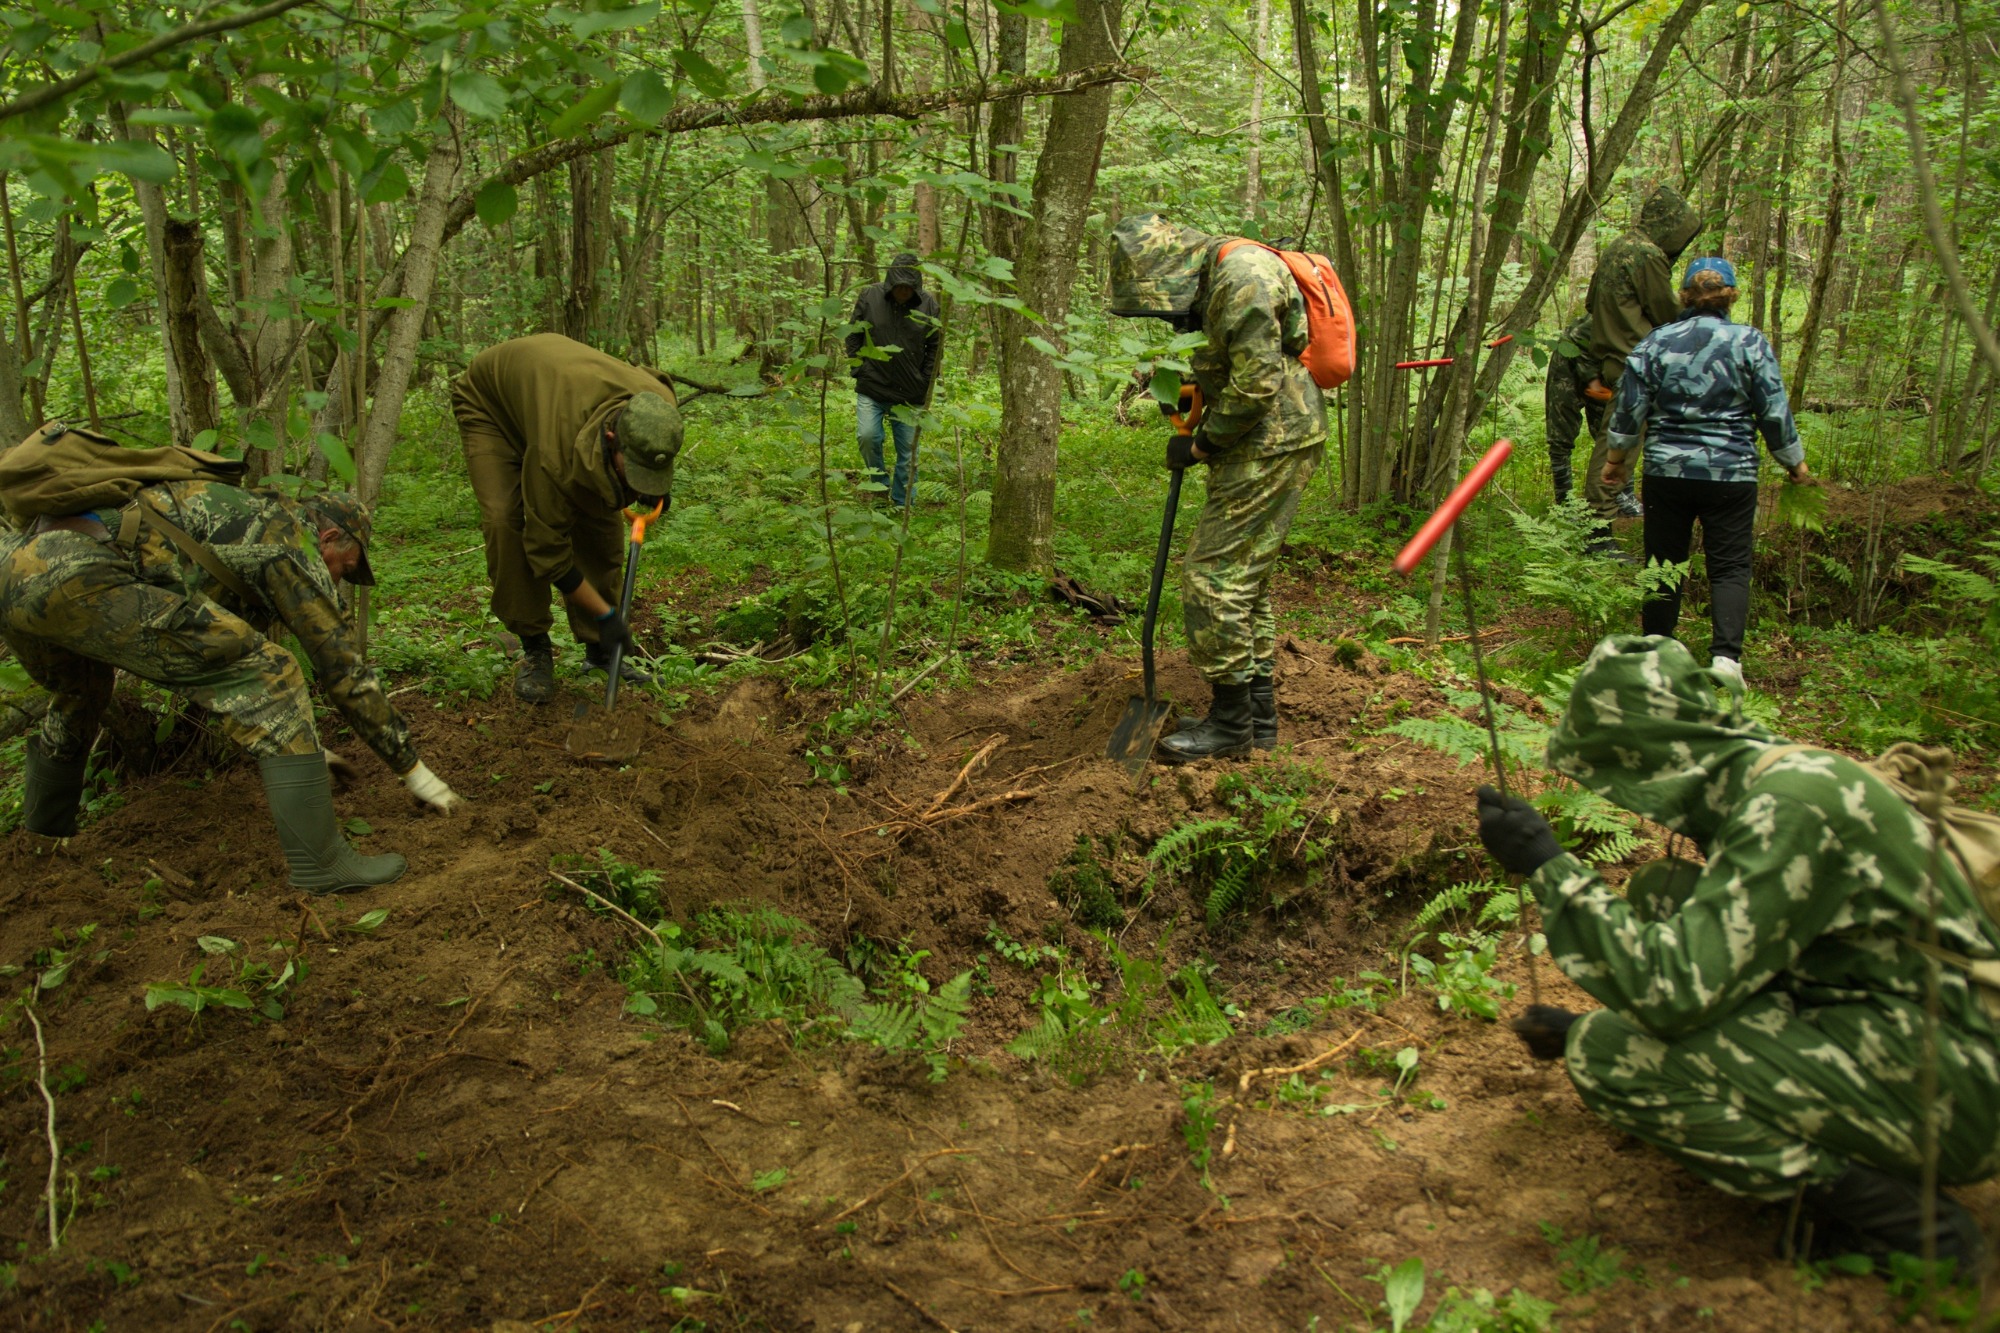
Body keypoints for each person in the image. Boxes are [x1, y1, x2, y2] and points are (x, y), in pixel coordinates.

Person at [1476, 635, 2000, 1275]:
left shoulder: (1788, 807)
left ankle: (1915, 1230)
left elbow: (1673, 990)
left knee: (1614, 1054)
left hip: (1960, 1087)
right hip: (1916, 1026)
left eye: (1616, 777)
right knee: (1664, 894)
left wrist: (1545, 864)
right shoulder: (1781, 773)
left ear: (1652, 759)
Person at [0, 432, 460, 892]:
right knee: (272, 673)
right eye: (346, 564)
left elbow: (203, 663)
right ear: (329, 536)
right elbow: (343, 672)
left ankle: (43, 838)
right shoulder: (287, 539)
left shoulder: (233, 517)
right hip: (82, 576)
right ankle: (324, 865)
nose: (339, 577)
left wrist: (304, 748)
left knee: (81, 690)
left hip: (16, 571)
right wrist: (415, 772)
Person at [1108, 214, 1327, 760]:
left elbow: (1256, 386)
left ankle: (1230, 726)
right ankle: (1256, 718)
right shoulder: (1219, 276)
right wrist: (1186, 387)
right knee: (1244, 582)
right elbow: (1237, 362)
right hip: (1264, 439)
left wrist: (1201, 445)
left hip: (1269, 441)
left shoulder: (1242, 277)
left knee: (1213, 579)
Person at [1600, 257, 1808, 691]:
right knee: (1730, 566)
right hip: (1731, 474)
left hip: (1667, 472)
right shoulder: (1750, 342)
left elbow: (1629, 405)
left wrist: (1615, 460)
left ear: (1685, 296)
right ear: (1730, 296)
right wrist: (1794, 462)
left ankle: (1654, 657)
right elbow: (1773, 408)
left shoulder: (1657, 343)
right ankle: (1726, 661)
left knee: (1663, 562)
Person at [452, 334, 682, 703]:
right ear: (611, 438)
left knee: (601, 518)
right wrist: (607, 615)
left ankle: (600, 652)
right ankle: (535, 648)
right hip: (491, 403)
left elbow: (652, 429)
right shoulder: (554, 457)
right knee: (505, 522)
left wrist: (650, 480)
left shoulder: (658, 403)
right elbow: (548, 553)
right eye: (633, 468)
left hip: (552, 392)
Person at [1544, 184, 1702, 537]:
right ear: (1671, 223)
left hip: (1614, 361)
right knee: (1617, 447)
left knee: (1619, 442)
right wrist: (1700, 325)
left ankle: (1599, 520)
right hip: (1635, 363)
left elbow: (1591, 305)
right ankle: (1597, 531)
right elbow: (1666, 312)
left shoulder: (1619, 247)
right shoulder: (1647, 255)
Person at [843, 253, 940, 508]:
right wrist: (859, 369)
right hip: (872, 385)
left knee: (908, 453)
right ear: (891, 284)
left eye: (910, 287)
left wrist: (925, 382)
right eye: (900, 286)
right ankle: (878, 487)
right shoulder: (870, 296)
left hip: (910, 392)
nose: (904, 291)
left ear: (916, 286)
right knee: (867, 436)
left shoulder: (929, 304)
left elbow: (935, 347)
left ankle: (902, 504)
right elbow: (853, 335)